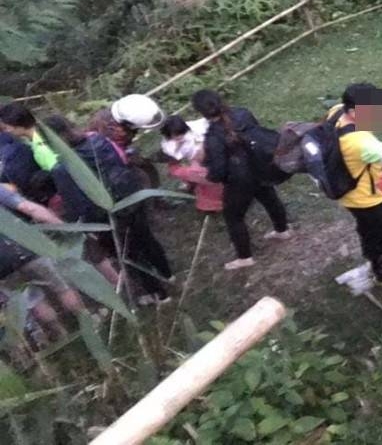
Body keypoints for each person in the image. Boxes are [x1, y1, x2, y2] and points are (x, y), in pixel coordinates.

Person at [46, 115, 172, 304]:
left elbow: (77, 205)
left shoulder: (62, 168)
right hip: (130, 195)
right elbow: (120, 161)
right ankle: (167, 273)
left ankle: (158, 294)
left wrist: (86, 226)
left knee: (130, 254)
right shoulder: (97, 139)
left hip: (108, 213)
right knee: (146, 237)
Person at [192, 89, 291, 271]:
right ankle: (282, 230)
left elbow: (218, 171)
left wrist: (206, 170)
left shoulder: (213, 137)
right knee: (269, 198)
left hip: (239, 180)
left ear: (201, 113)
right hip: (260, 167)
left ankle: (245, 257)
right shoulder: (243, 113)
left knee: (233, 217)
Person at [319, 83, 382, 286]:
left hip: (350, 193)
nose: (381, 114)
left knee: (366, 230)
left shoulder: (336, 111)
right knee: (380, 235)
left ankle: (374, 257)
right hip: (370, 199)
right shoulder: (362, 143)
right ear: (354, 113)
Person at [0, 184, 89, 336]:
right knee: (61, 287)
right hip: (26, 246)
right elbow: (30, 208)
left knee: (33, 301)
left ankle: (62, 334)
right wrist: (64, 227)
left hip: (3, 267)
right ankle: (88, 325)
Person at [160, 115, 223, 215]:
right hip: (195, 160)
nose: (180, 137)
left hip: (205, 156)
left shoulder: (192, 128)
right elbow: (174, 156)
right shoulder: (168, 144)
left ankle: (212, 203)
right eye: (176, 135)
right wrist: (178, 145)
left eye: (182, 133)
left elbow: (204, 123)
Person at [0, 103, 58, 172]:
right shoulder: (41, 132)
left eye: (6, 128)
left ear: (18, 125)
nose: (6, 131)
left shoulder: (41, 151)